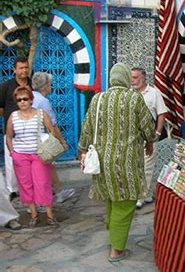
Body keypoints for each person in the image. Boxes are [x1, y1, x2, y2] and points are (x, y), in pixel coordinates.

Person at [78, 63, 156, 262]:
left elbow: (87, 128)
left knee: (111, 200)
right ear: (125, 78)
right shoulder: (134, 98)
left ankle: (114, 237)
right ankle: (117, 250)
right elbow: (148, 127)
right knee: (125, 203)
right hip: (127, 164)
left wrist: (83, 151)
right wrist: (149, 142)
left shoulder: (98, 99)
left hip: (103, 163)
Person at [5, 86, 62, 226]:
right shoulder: (13, 117)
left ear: (31, 99)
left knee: (42, 183)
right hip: (21, 156)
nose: (22, 102)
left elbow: (51, 130)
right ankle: (34, 215)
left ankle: (49, 215)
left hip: (39, 155)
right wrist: (13, 153)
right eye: (19, 100)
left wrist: (54, 144)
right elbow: (9, 136)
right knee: (26, 185)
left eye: (25, 98)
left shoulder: (41, 114)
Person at [31, 72, 75, 204]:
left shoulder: (31, 96)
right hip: (39, 141)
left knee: (48, 166)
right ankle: (45, 198)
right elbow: (52, 126)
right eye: (50, 84)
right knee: (45, 168)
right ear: (44, 87)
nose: (51, 87)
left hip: (29, 139)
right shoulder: (43, 102)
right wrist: (62, 142)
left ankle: (58, 192)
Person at [131, 67, 167, 209]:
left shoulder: (154, 93)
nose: (133, 81)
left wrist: (157, 133)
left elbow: (161, 113)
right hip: (134, 138)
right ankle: (147, 194)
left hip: (149, 137)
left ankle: (140, 196)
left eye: (135, 77)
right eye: (131, 78)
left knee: (146, 167)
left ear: (144, 78)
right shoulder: (130, 94)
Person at [0, 57, 31, 200]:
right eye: (21, 68)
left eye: (26, 67)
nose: (24, 70)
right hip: (12, 132)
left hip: (30, 130)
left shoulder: (32, 84)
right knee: (11, 161)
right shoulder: (6, 86)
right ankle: (12, 189)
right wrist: (11, 119)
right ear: (15, 70)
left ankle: (30, 187)